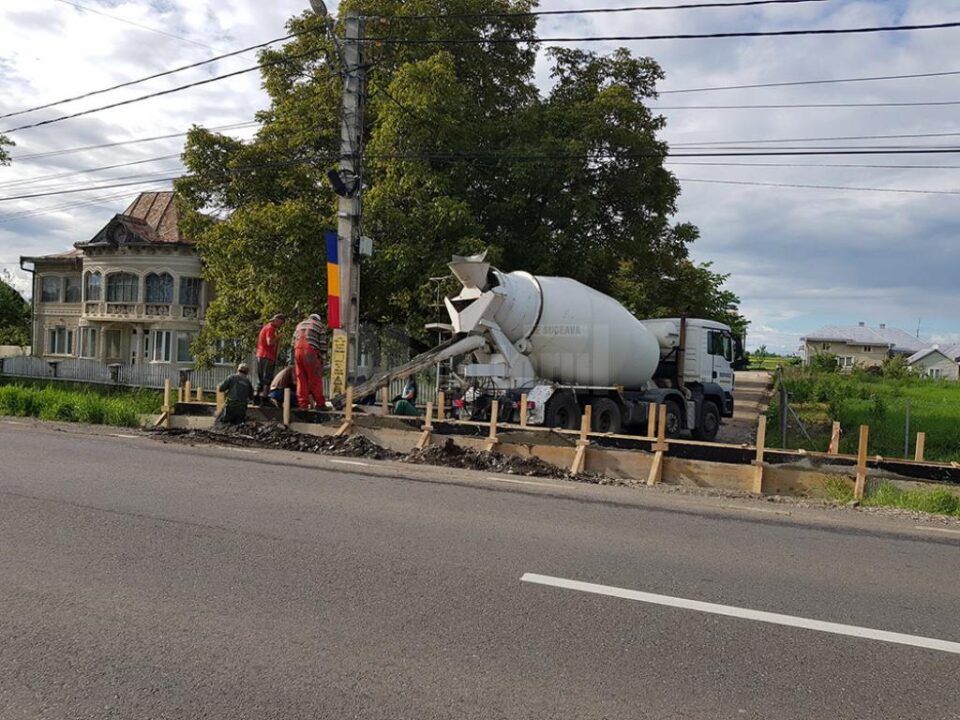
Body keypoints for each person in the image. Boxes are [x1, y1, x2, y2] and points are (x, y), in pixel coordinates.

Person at [293, 313, 327, 410]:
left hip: (297, 352)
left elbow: (293, 342)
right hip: (309, 352)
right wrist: (323, 358)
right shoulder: (320, 326)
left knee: (301, 379)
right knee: (315, 378)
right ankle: (320, 404)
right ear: (318, 319)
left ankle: (303, 405)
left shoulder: (299, 325)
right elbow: (322, 343)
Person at [255, 314, 285, 401]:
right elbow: (270, 342)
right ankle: (264, 397)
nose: (281, 325)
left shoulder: (266, 327)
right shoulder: (270, 328)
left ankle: (257, 396)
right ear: (276, 320)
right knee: (267, 377)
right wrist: (278, 337)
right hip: (267, 356)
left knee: (261, 378)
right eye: (281, 323)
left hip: (261, 355)